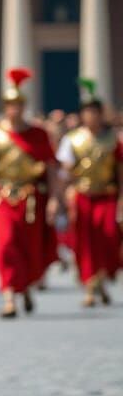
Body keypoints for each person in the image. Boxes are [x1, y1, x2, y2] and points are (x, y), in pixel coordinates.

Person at [0, 68, 63, 319]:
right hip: (1, 197)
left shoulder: (38, 135)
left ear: (23, 106)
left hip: (31, 198)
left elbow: (52, 169)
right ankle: (9, 296)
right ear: (5, 107)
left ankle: (23, 288)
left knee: (28, 248)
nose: (14, 109)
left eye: (18, 105)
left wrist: (55, 200)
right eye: (9, 105)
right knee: (4, 245)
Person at [57, 81, 123, 307]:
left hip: (107, 195)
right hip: (82, 196)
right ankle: (90, 286)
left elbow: (119, 171)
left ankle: (101, 279)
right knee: (86, 242)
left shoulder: (113, 139)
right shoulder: (72, 139)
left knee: (108, 236)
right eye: (87, 112)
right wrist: (64, 193)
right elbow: (65, 171)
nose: (91, 116)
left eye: (95, 112)